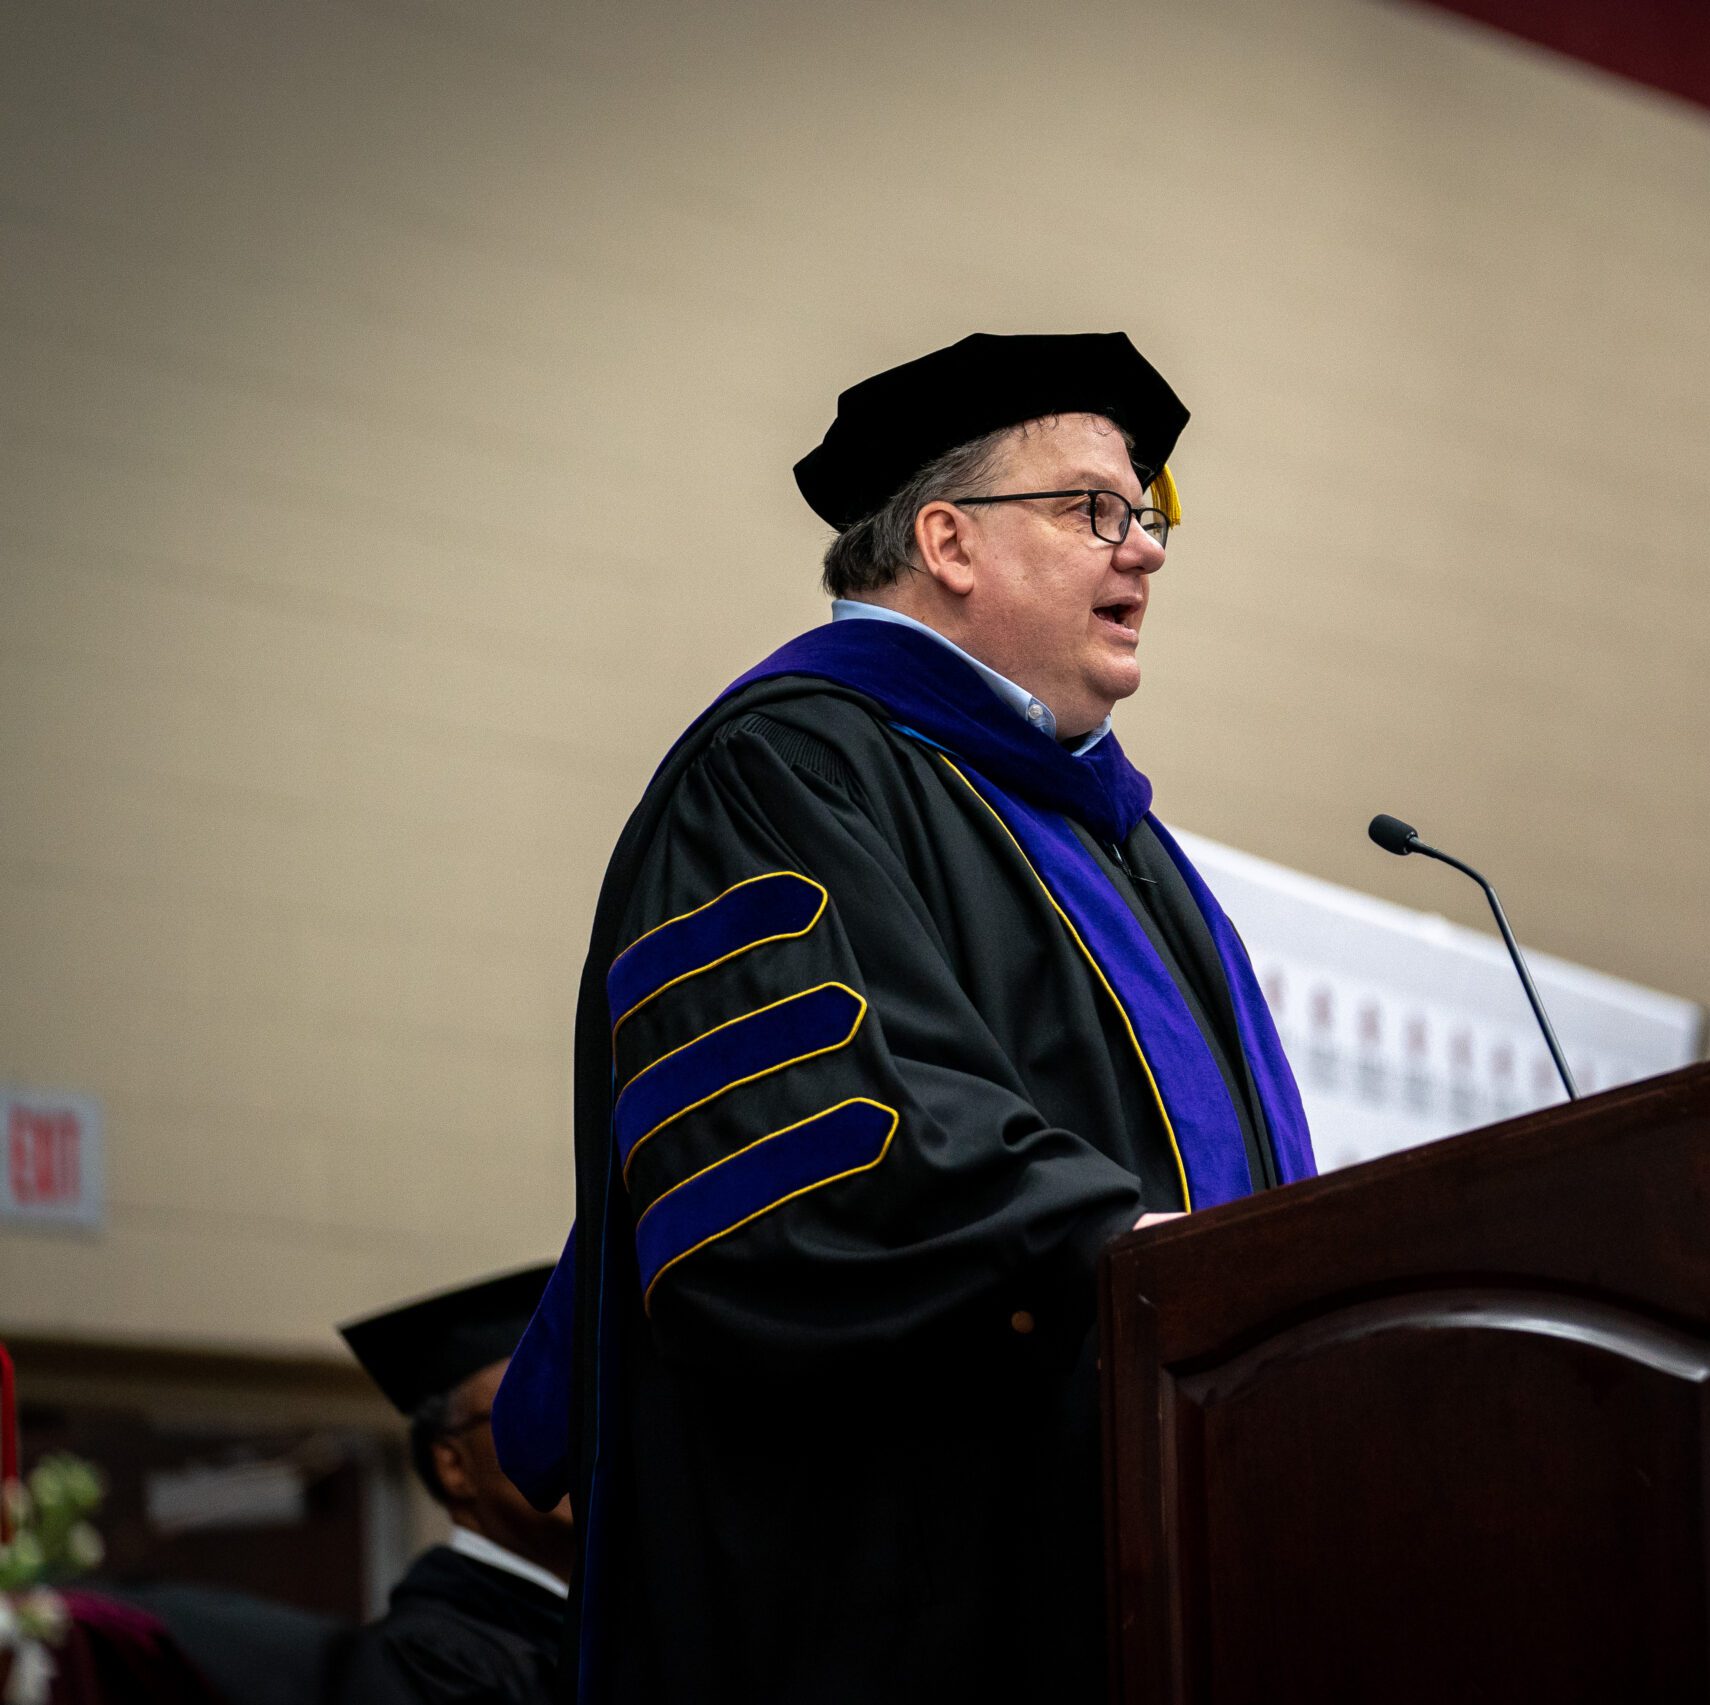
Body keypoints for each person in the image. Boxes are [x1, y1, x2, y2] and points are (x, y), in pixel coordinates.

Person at [492, 332, 1317, 1703]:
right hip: (910, 1599)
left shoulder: (1129, 846)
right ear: (948, 539)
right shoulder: (783, 771)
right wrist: (1131, 1256)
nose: (1147, 550)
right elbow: (802, 1156)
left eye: (1148, 515)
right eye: (1095, 509)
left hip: (1152, 1570)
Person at [337, 1266, 568, 1705]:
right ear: (453, 1465)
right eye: (534, 1414)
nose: (577, 1440)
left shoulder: (630, 1624)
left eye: (586, 1411)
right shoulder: (424, 1659)